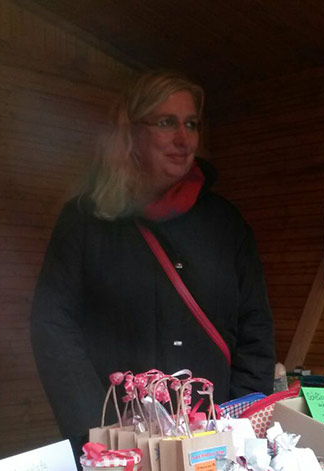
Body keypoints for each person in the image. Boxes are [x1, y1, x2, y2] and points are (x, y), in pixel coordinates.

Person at [30, 71, 275, 448]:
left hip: (211, 440)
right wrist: (94, 431)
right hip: (116, 441)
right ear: (131, 133)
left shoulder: (225, 223)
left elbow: (255, 331)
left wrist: (240, 426)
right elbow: (53, 327)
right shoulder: (85, 221)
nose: (183, 139)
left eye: (191, 124)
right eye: (166, 123)